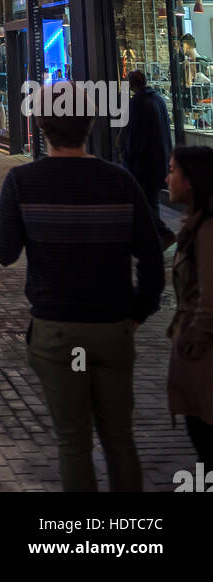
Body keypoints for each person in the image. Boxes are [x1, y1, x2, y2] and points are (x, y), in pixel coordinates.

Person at [0, 86, 164, 493]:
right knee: (120, 438)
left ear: (41, 127)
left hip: (57, 328)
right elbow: (153, 257)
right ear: (89, 125)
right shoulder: (120, 181)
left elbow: (4, 253)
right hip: (113, 327)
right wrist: (138, 312)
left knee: (73, 442)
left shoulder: (22, 181)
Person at [166, 146, 213, 471]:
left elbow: (209, 300)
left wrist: (190, 343)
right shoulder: (196, 225)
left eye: (172, 170)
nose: (166, 178)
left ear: (191, 181)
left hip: (205, 359)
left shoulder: (207, 231)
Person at [123, 70, 175, 247]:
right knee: (151, 200)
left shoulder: (138, 103)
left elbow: (137, 135)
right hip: (159, 159)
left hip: (144, 163)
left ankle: (160, 233)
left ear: (131, 84)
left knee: (144, 201)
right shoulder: (158, 99)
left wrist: (129, 155)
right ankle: (156, 235)